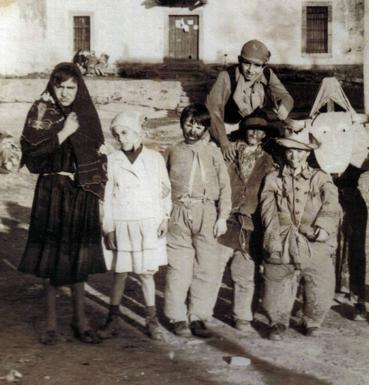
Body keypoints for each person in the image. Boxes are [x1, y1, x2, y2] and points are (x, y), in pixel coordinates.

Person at [19, 62, 108, 345]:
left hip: (81, 192)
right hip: (53, 190)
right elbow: (32, 158)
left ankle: (80, 320)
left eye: (72, 87)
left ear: (79, 87)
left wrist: (99, 160)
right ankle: (51, 324)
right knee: (53, 257)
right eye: (61, 87)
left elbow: (97, 149)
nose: (66, 93)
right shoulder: (41, 111)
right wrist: (63, 133)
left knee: (78, 259)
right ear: (52, 86)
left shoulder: (85, 112)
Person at [96, 111, 171, 340]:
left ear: (137, 132)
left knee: (147, 274)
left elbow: (165, 191)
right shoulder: (111, 161)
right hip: (122, 223)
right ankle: (113, 319)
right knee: (120, 273)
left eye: (125, 132)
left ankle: (152, 320)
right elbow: (105, 198)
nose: (121, 138)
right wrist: (107, 226)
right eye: (116, 134)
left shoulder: (155, 159)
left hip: (147, 223)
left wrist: (165, 217)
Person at [260, 128, 340, 340]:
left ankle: (312, 319)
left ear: (308, 153)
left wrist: (323, 229)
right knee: (276, 278)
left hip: (312, 238)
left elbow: (331, 205)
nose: (294, 156)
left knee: (320, 281)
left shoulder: (320, 178)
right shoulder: (273, 178)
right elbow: (268, 211)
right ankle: (278, 320)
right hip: (283, 237)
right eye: (290, 151)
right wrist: (272, 238)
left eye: (300, 151)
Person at [163, 103, 231, 338]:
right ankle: (177, 316)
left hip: (207, 213)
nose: (193, 130)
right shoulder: (173, 150)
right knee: (178, 267)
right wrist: (164, 214)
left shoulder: (213, 152)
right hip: (179, 212)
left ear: (205, 128)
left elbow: (225, 186)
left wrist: (222, 216)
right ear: (182, 123)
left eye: (199, 125)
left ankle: (199, 316)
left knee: (206, 268)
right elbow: (163, 186)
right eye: (189, 123)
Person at [220, 110, 276, 332]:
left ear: (264, 135)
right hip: (226, 219)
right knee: (213, 268)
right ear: (243, 132)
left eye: (259, 130)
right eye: (251, 129)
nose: (254, 133)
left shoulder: (268, 161)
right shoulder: (228, 154)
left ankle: (242, 315)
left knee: (245, 270)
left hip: (251, 223)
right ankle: (199, 313)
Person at [206, 39, 294, 161]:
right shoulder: (227, 76)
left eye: (257, 65)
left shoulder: (267, 74)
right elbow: (213, 110)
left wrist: (285, 106)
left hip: (254, 128)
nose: (251, 70)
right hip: (229, 128)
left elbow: (285, 96)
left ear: (264, 65)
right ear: (239, 60)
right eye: (247, 63)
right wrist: (224, 142)